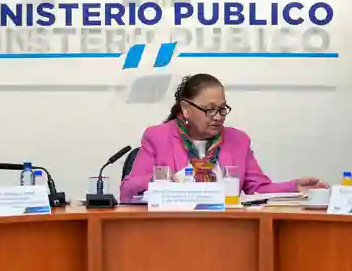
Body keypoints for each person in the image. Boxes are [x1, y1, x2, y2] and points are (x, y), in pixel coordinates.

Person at [120, 73, 328, 203]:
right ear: (186, 109)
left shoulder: (238, 141)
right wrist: (163, 181)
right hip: (172, 231)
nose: (218, 117)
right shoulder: (158, 137)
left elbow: (258, 189)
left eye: (222, 109)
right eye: (209, 109)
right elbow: (128, 190)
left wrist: (294, 188)